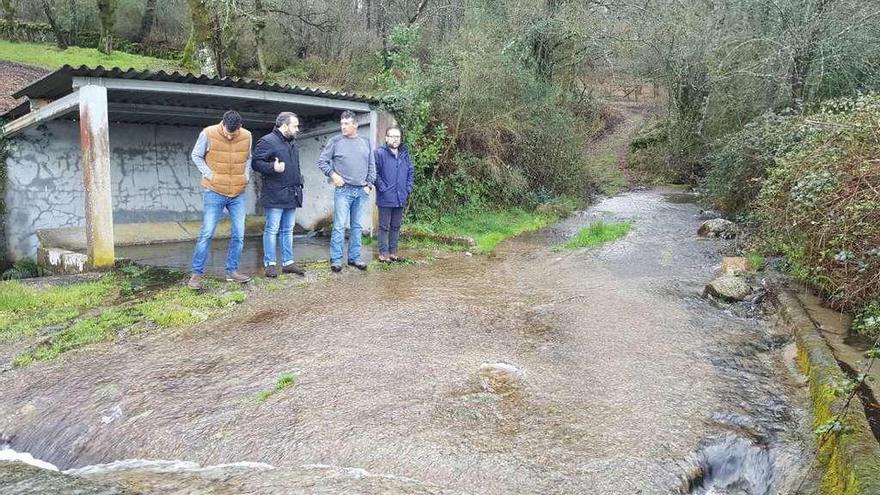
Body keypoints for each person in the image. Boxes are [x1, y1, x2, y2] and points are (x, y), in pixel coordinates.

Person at [187, 110, 253, 290]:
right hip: (214, 191)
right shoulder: (208, 133)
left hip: (237, 192)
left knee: (239, 234)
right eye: (226, 132)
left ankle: (232, 271)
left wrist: (245, 175)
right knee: (207, 233)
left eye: (233, 133)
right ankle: (196, 275)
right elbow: (196, 155)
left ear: (240, 127)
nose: (229, 136)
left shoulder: (247, 135)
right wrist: (210, 175)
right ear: (222, 124)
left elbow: (248, 158)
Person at [317, 110, 376, 272]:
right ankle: (336, 260)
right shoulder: (335, 141)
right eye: (341, 124)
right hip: (343, 190)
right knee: (339, 226)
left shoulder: (366, 142)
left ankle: (354, 258)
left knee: (357, 226)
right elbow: (322, 162)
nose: (343, 127)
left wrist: (369, 184)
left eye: (346, 124)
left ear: (355, 125)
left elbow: (372, 165)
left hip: (361, 191)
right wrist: (333, 175)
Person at [252, 112, 307, 278]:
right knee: (271, 229)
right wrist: (272, 168)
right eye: (295, 126)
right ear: (284, 125)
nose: (297, 129)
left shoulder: (292, 144)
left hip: (292, 193)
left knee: (287, 230)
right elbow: (256, 163)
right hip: (275, 194)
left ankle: (288, 263)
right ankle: (270, 265)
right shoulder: (267, 141)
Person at [374, 126, 414, 262]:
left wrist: (407, 188)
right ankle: (383, 253)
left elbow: (410, 172)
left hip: (400, 196)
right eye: (392, 136)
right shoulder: (379, 153)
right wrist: (382, 187)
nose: (395, 139)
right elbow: (375, 173)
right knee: (384, 226)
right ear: (386, 138)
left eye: (397, 137)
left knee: (396, 226)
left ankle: (393, 252)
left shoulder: (404, 154)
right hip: (385, 197)